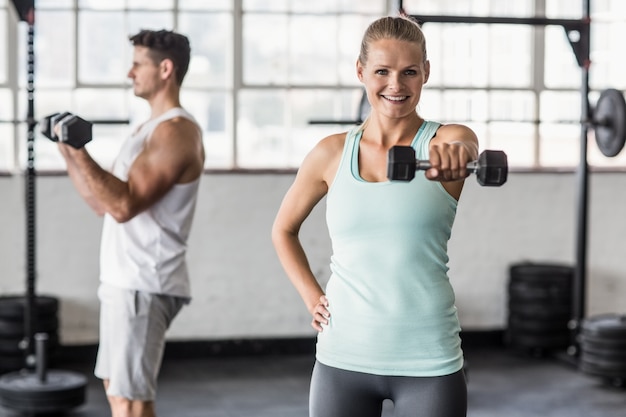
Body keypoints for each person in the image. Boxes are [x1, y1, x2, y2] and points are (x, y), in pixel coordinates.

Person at [271, 15, 478, 417]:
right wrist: (312, 296)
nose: (396, 85)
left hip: (428, 359)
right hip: (342, 356)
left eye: (409, 72)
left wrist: (461, 154)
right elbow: (283, 229)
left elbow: (465, 143)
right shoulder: (330, 154)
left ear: (426, 73)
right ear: (361, 71)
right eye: (382, 71)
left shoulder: (443, 142)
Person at [56, 29, 205, 417]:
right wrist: (69, 151)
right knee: (117, 392)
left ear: (166, 69)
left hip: (145, 281)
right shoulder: (146, 130)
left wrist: (80, 149)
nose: (130, 73)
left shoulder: (176, 132)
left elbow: (123, 206)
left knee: (132, 403)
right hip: (124, 280)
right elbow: (101, 203)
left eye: (138, 64)